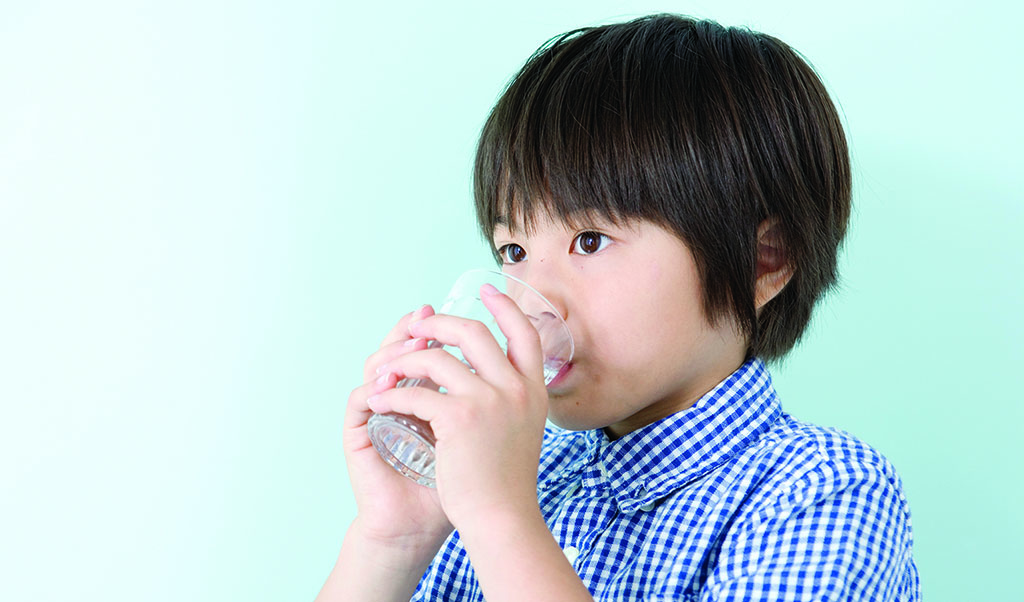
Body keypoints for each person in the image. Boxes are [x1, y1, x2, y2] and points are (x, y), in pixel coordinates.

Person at [317, 13, 920, 602]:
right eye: (514, 248)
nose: (533, 301)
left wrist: (502, 518)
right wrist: (393, 540)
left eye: (590, 241)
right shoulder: (511, 472)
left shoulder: (822, 492)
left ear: (763, 260)